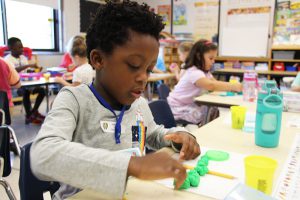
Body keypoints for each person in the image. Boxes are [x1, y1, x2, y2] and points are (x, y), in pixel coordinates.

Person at [30, 1, 200, 199]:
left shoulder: (138, 104)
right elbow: (43, 154)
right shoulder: (74, 101)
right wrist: (131, 165)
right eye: (134, 65)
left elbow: (152, 134)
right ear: (98, 60)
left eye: (149, 69)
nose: (143, 77)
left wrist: (178, 136)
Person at [167, 40, 243, 125]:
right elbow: (211, 85)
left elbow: (215, 83)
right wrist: (233, 86)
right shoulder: (194, 71)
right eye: (211, 58)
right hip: (177, 108)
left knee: (213, 110)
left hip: (188, 105)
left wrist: (231, 87)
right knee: (208, 112)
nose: (213, 61)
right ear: (199, 57)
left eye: (214, 58)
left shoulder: (204, 72)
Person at [5, 37, 45, 125]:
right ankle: (30, 116)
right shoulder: (7, 60)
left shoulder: (23, 58)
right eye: (19, 47)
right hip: (14, 87)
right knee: (26, 91)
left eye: (22, 47)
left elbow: (27, 72)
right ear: (11, 48)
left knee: (42, 90)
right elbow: (14, 71)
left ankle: (33, 113)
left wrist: (35, 70)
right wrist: (28, 65)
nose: (22, 49)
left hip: (27, 83)